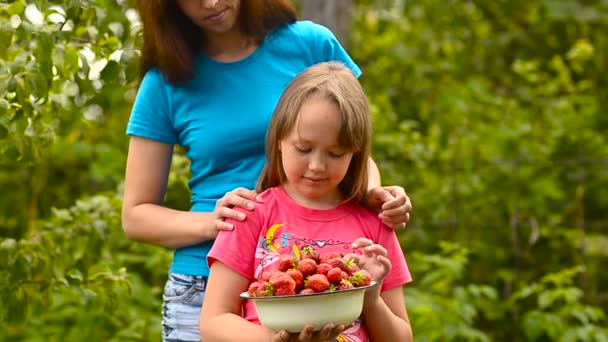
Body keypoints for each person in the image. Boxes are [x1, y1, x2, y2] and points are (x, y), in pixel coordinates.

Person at [122, 1, 412, 341]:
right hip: (205, 282)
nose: (212, 2)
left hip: (318, 273)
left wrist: (373, 196)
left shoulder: (309, 44)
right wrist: (215, 221)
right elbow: (135, 215)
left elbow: (351, 146)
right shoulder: (165, 81)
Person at [200, 62, 413, 341]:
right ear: (279, 140)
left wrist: (370, 298)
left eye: (335, 154)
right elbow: (213, 323)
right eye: (303, 148)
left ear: (355, 154)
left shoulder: (375, 225)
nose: (317, 166)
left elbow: (402, 338)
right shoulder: (250, 215)